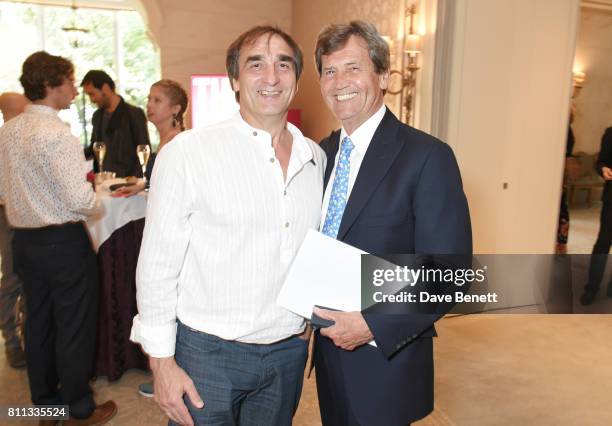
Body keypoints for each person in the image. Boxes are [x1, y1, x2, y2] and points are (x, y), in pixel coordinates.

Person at [130, 26, 325, 426]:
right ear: (234, 80)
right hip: (207, 354)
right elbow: (157, 265)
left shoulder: (316, 159)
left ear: (297, 78)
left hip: (287, 353)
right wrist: (162, 364)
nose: (271, 77)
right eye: (256, 64)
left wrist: (304, 326)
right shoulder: (187, 153)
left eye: (283, 64)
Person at [312, 21, 472, 426]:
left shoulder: (427, 156)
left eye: (353, 68)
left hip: (385, 362)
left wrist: (370, 324)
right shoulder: (321, 155)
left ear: (382, 75)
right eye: (329, 71)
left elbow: (449, 272)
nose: (339, 82)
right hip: (328, 355)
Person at [0, 51, 116, 424]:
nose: (74, 90)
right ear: (51, 85)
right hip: (63, 244)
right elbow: (80, 200)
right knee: (73, 325)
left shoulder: (9, 130)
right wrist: (97, 194)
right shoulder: (56, 134)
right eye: (69, 82)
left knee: (38, 323)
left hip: (24, 241)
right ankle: (78, 408)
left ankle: (46, 405)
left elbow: (5, 191)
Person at [113, 79, 188, 200]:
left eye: (157, 100)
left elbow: (177, 186)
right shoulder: (168, 138)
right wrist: (142, 186)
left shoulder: (176, 141)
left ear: (175, 109)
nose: (149, 105)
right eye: (149, 99)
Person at [0, 92, 28, 369]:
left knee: (25, 277)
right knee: (12, 278)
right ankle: (11, 339)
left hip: (22, 214)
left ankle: (24, 337)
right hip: (8, 215)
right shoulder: (6, 139)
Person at [81, 70, 151, 177]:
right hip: (104, 182)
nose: (91, 100)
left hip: (128, 185)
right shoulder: (97, 116)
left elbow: (144, 150)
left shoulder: (134, 114)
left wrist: (132, 181)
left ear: (105, 88)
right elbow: (94, 148)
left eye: (92, 94)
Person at [580, 126, 612, 305]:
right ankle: (592, 287)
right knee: (603, 243)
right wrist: (604, 169)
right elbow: (600, 162)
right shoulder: (610, 133)